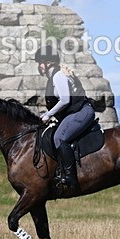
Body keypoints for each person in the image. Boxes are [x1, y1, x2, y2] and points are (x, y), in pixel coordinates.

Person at [34, 44, 95, 190]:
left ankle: (70, 178)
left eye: (40, 63)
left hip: (81, 111)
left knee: (59, 138)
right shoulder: (53, 76)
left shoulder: (58, 75)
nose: (39, 66)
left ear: (48, 63)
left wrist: (48, 115)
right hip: (74, 112)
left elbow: (65, 100)